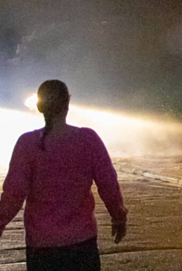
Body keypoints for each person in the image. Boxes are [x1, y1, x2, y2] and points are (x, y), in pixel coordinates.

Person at [0, 80, 128, 271]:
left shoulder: (27, 144)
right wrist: (118, 216)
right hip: (81, 244)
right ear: (68, 103)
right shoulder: (88, 140)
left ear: (39, 106)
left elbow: (14, 194)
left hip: (41, 247)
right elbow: (108, 183)